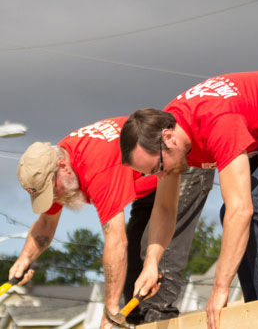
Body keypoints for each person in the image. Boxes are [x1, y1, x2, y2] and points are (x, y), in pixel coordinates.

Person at [119, 71, 258, 329]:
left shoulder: (215, 121)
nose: (160, 175)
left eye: (158, 167)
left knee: (253, 209)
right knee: (233, 214)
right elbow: (167, 208)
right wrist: (151, 263)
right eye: (151, 172)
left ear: (168, 138)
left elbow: (242, 209)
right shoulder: (168, 134)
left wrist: (219, 288)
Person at [11, 117, 214, 327]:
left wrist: (110, 311)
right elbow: (46, 222)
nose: (54, 198)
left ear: (63, 166)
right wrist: (24, 259)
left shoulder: (96, 168)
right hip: (149, 178)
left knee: (158, 269)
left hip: (180, 161)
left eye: (52, 191)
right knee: (133, 282)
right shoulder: (57, 162)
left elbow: (116, 241)